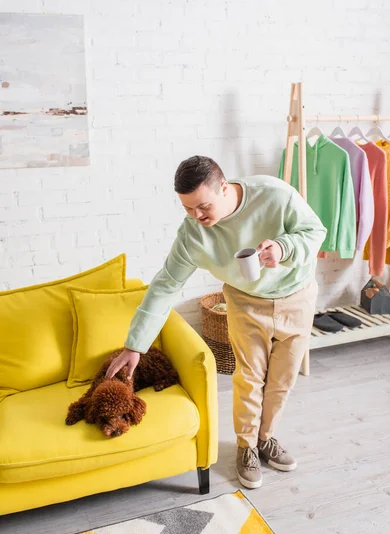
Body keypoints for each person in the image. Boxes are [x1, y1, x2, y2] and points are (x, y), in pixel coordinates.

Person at [106, 156, 327, 489]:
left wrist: (284, 247)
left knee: (282, 381)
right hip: (245, 302)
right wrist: (135, 344)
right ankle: (246, 447)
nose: (197, 216)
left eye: (203, 206)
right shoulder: (193, 234)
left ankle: (266, 438)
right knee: (249, 378)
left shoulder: (274, 194)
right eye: (187, 209)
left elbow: (315, 231)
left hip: (297, 297)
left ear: (224, 187)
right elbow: (167, 284)